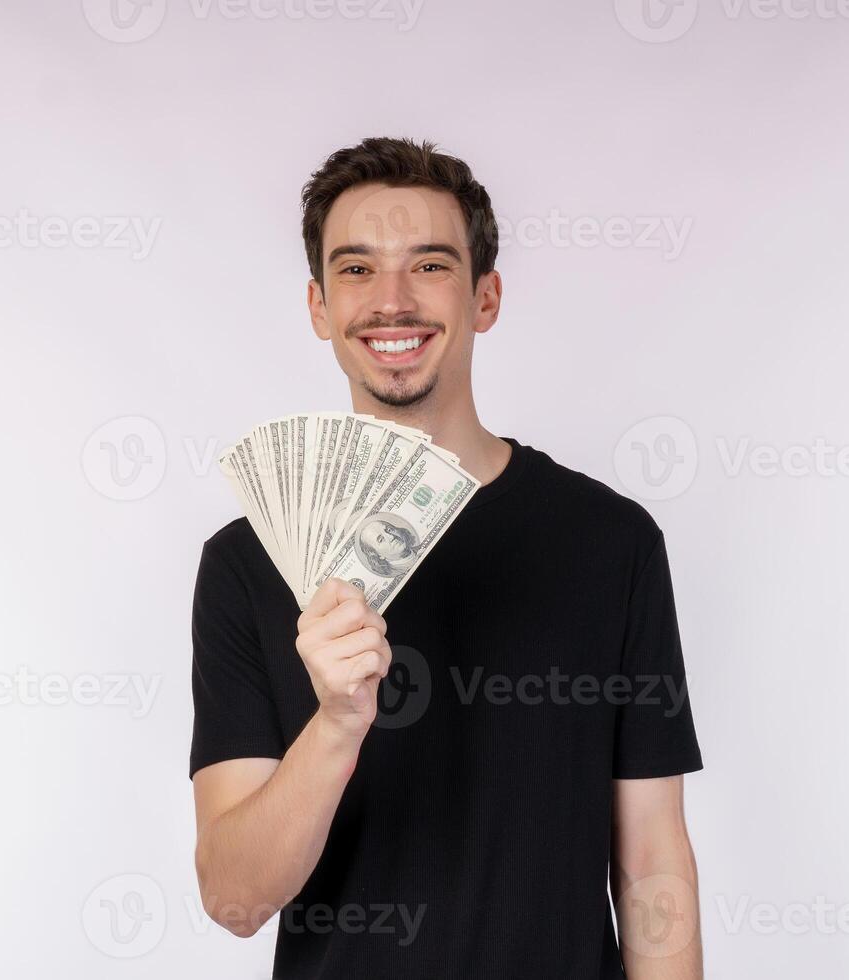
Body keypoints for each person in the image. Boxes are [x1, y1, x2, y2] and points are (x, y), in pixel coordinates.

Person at [189, 136, 704, 979]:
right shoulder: (246, 566)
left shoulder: (613, 542)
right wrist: (338, 723)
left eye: (429, 265)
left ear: (485, 296)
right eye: (355, 270)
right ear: (318, 306)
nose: (391, 302)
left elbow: (652, 859)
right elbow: (235, 899)